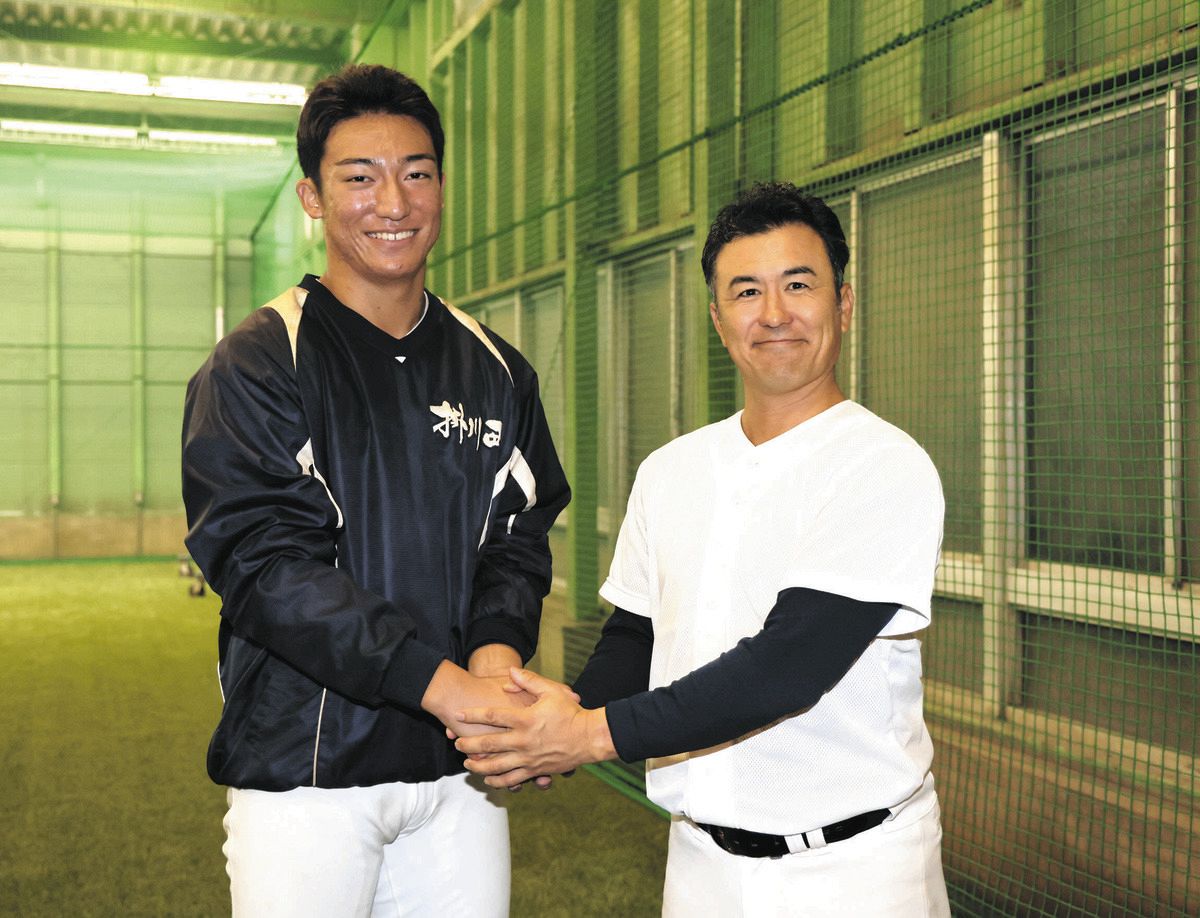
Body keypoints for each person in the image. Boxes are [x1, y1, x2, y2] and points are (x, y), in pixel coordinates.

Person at [455, 183, 950, 917]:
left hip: (852, 871)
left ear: (843, 304)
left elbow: (788, 668)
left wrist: (585, 734)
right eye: (747, 291)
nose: (774, 313)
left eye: (799, 285)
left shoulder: (882, 464)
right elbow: (637, 636)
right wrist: (555, 718)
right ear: (718, 319)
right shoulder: (671, 469)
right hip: (699, 865)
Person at [181, 63, 569, 917]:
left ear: (441, 187)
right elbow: (266, 566)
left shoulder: (497, 369)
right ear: (313, 198)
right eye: (360, 177)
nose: (393, 202)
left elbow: (518, 535)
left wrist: (495, 660)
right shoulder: (257, 361)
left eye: (416, 173)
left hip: (457, 776)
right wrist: (447, 686)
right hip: (305, 777)